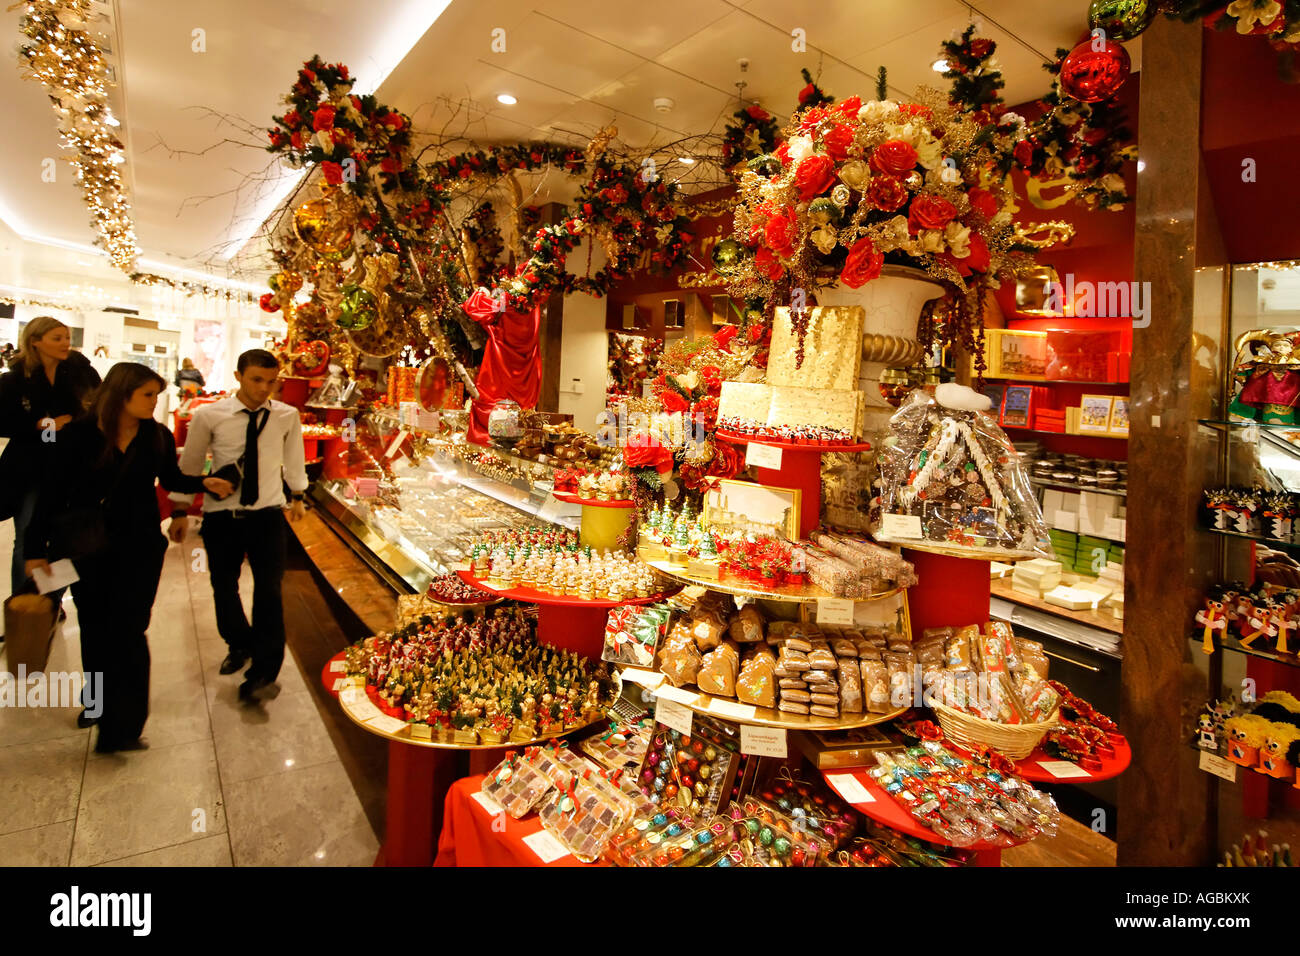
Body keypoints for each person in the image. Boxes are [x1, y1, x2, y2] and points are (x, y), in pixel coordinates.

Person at [24, 363, 233, 751]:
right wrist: (35, 550)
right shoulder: (79, 437)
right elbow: (50, 495)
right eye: (148, 395)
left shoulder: (158, 436)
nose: (156, 402)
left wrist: (204, 483)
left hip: (138, 548)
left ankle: (125, 725)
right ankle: (97, 703)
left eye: (157, 394)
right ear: (122, 395)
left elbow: (170, 479)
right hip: (87, 548)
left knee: (131, 632)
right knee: (97, 631)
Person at [169, 349, 308, 703]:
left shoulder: (286, 416)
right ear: (238, 376)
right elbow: (191, 462)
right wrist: (181, 510)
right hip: (222, 516)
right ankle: (238, 642)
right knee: (224, 586)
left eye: (271, 381)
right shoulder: (209, 415)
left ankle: (264, 671)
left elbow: (294, 458)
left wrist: (298, 495)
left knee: (269, 592)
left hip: (267, 516)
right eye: (256, 380)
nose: (264, 389)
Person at [0, 316, 101, 612]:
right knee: (28, 539)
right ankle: (25, 608)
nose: (65, 343)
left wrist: (70, 424)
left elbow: (99, 404)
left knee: (67, 538)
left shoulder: (80, 371)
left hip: (74, 462)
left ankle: (50, 602)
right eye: (57, 338)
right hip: (31, 467)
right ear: (35, 341)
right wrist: (46, 425)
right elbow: (6, 422)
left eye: (67, 337)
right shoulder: (15, 379)